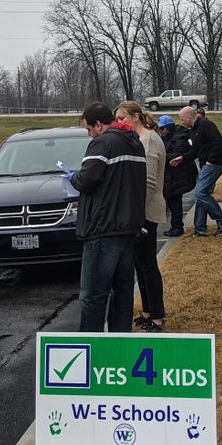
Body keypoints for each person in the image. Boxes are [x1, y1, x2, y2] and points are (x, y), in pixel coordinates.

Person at [70, 102, 147, 331]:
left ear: (99, 125)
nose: (88, 134)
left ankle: (90, 347)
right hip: (128, 227)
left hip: (103, 229)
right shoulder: (134, 143)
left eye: (89, 129)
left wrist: (72, 177)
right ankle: (119, 344)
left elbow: (87, 179)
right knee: (122, 292)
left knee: (93, 295)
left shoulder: (102, 143)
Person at [116, 100, 167, 332]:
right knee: (140, 265)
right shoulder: (138, 140)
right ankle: (147, 312)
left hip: (146, 210)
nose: (119, 123)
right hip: (139, 211)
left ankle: (157, 316)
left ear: (135, 117)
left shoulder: (149, 140)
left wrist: (136, 214)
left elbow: (147, 182)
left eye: (122, 119)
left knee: (148, 265)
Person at [174, 105, 222, 237]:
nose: (181, 121)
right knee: (202, 194)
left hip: (214, 164)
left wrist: (210, 160)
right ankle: (200, 228)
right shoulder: (193, 130)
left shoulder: (206, 125)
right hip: (205, 165)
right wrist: (182, 157)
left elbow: (218, 141)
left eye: (182, 118)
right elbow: (194, 150)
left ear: (189, 117)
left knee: (200, 194)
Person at [158, 114, 197, 237]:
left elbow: (177, 155)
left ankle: (177, 227)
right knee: (173, 201)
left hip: (177, 177)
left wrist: (160, 156)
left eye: (161, 128)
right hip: (173, 177)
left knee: (174, 202)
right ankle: (176, 226)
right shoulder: (169, 137)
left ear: (167, 128)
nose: (160, 130)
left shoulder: (180, 138)